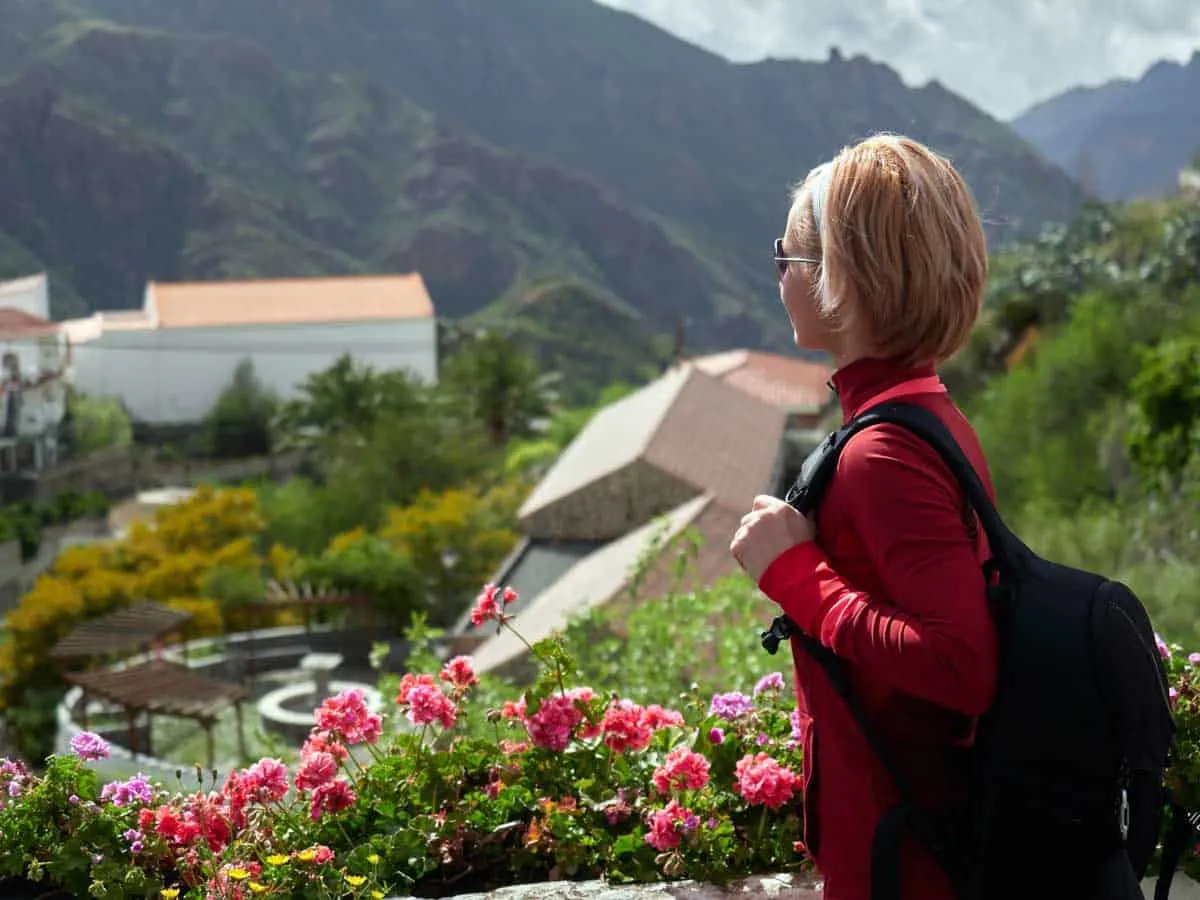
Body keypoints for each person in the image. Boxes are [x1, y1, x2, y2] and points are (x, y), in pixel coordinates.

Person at [729, 134, 999, 900]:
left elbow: (961, 666)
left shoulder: (883, 454)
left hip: (903, 863)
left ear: (834, 278)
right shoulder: (924, 415)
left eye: (786, 258)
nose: (780, 279)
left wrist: (795, 575)